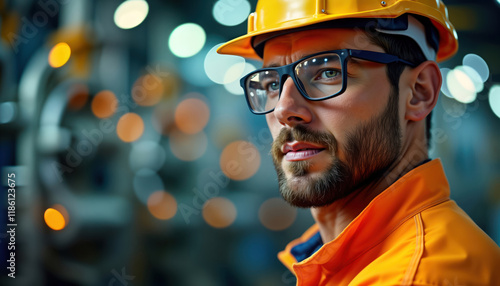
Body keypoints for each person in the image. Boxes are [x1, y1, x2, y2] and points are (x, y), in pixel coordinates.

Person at [217, 0, 500, 285]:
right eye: (272, 84)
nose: (283, 110)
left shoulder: (420, 275)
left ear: (419, 92)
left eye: (328, 72)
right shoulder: (339, 261)